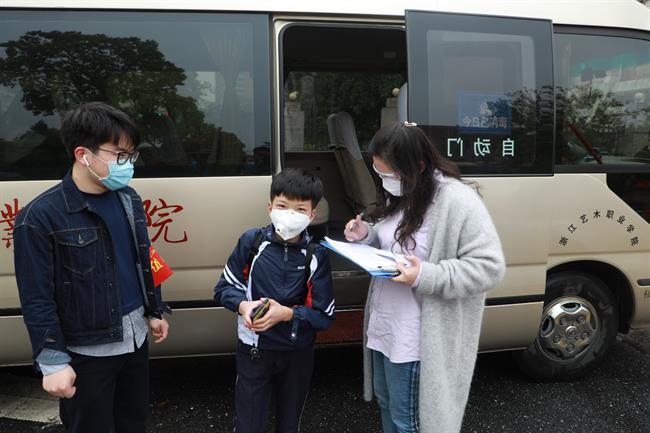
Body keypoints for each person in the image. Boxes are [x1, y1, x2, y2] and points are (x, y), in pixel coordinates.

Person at [13, 102, 171, 433]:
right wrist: (53, 361)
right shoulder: (39, 217)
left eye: (131, 155)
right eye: (119, 154)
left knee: (133, 424)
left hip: (134, 339)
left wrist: (153, 310)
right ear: (83, 154)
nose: (128, 164)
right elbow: (36, 296)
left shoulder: (128, 198)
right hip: (87, 351)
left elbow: (141, 259)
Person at [344, 122, 506, 433]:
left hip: (416, 337)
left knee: (409, 422)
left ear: (417, 167)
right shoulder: (405, 193)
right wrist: (366, 235)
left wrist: (424, 275)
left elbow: (489, 267)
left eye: (390, 175)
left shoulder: (457, 201)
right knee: (388, 406)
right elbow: (396, 241)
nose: (385, 182)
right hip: (385, 327)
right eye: (379, 173)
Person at [214, 168, 335, 433]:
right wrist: (244, 305)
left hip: (297, 352)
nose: (290, 214)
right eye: (282, 206)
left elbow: (324, 315)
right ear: (269, 207)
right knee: (249, 424)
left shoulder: (316, 256)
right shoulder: (252, 242)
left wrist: (288, 314)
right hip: (254, 349)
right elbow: (224, 288)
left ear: (312, 215)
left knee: (289, 424)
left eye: (300, 209)